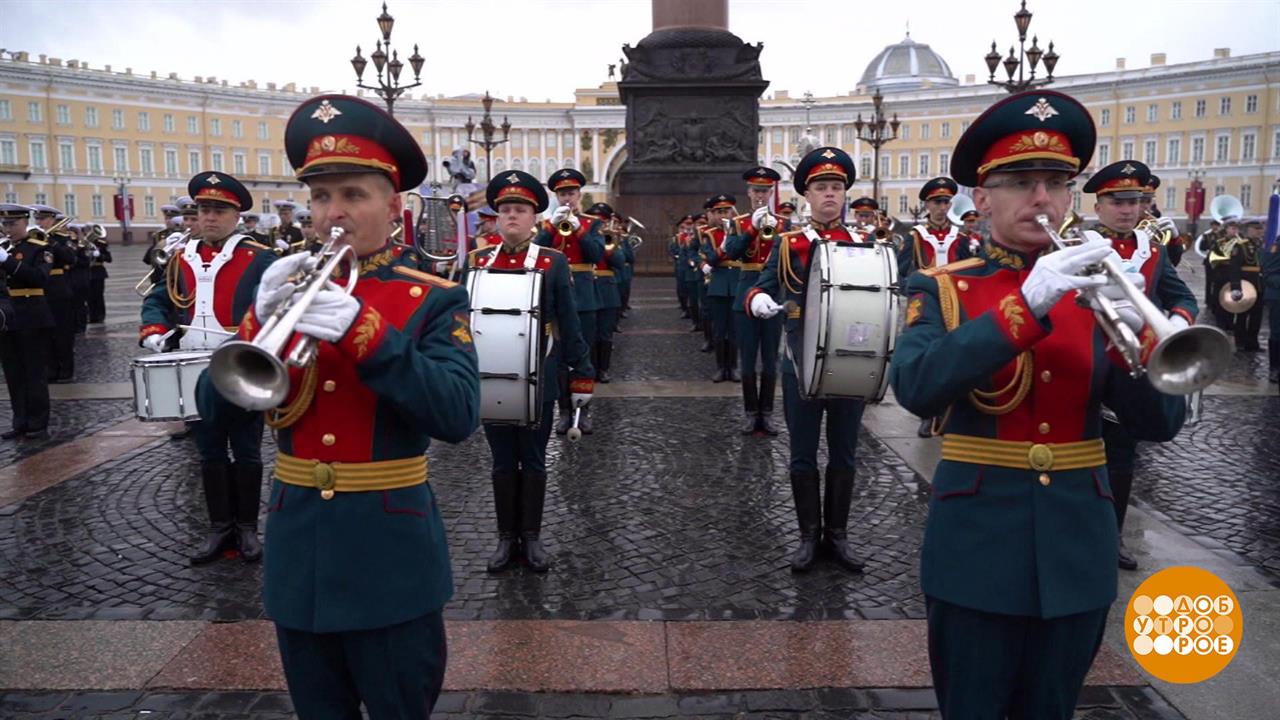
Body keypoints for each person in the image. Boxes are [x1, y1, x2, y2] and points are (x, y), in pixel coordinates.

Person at [889, 90, 1186, 718]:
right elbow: (917, 385)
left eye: (1056, 182)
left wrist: (1142, 342)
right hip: (976, 545)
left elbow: (1158, 425)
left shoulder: (1101, 289)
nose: (1042, 198)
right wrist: (1027, 304)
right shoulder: (944, 286)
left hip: (1077, 544)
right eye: (1021, 182)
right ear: (983, 197)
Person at [247, 94, 478, 718]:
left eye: (354, 194)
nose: (333, 213)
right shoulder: (282, 289)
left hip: (389, 556)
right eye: (321, 198)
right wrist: (254, 326)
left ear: (393, 206)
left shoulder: (433, 299)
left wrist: (364, 330)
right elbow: (224, 412)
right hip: (300, 553)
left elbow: (457, 414)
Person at [744, 146, 870, 573]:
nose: (830, 194)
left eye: (836, 187)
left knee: (845, 452)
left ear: (845, 193)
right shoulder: (787, 245)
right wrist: (759, 299)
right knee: (801, 452)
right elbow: (759, 286)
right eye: (822, 187)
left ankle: (838, 534)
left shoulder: (865, 244)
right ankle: (806, 536)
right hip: (799, 360)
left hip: (851, 359)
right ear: (807, 195)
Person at [140, 172, 276, 565]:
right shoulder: (180, 256)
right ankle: (220, 527)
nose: (209, 217)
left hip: (239, 366)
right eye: (203, 210)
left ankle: (247, 527)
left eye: (219, 210)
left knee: (247, 450)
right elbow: (159, 299)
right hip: (193, 368)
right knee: (210, 452)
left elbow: (271, 309)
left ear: (237, 214)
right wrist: (155, 330)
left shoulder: (260, 258)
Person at [471, 170, 594, 573]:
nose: (511, 217)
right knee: (502, 462)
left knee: (535, 460)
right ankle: (507, 539)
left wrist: (581, 374)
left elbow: (569, 322)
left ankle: (533, 538)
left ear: (534, 217)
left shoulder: (552, 262)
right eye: (505, 209)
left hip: (537, 371)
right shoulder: (478, 261)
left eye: (520, 210)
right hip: (490, 375)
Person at [1083, 159, 1198, 571]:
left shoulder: (1152, 250)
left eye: (1135, 201)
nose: (1128, 209)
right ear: (1099, 205)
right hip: (1085, 362)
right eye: (1117, 201)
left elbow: (1182, 297)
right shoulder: (1079, 245)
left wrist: (1174, 324)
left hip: (1130, 368)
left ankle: (1111, 537)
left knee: (1121, 458)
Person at [536, 168, 604, 434]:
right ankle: (564, 411)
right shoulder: (547, 224)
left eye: (571, 193)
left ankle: (582, 411)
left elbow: (596, 254)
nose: (567, 199)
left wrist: (579, 231)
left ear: (579, 195)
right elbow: (538, 253)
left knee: (583, 355)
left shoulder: (591, 223)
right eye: (563, 194)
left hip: (584, 295)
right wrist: (552, 226)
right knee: (559, 357)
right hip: (556, 296)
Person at [726, 166, 787, 434]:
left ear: (771, 192)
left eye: (765, 191)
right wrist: (752, 228)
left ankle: (768, 412)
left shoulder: (783, 224)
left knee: (771, 358)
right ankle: (751, 412)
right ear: (749, 192)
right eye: (757, 191)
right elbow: (732, 253)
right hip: (745, 295)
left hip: (773, 295)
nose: (761, 195)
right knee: (748, 358)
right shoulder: (738, 223)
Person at [0, 204, 54, 440]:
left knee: (33, 372)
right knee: (13, 373)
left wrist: (7, 261)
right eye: (5, 224)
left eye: (13, 224)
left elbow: (39, 278)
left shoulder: (39, 249)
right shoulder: (5, 249)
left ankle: (37, 422)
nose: (8, 228)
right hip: (6, 319)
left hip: (32, 316)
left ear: (25, 222)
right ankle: (19, 420)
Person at [29, 206, 77, 383]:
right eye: (38, 219)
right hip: (41, 289)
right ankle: (50, 369)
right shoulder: (34, 239)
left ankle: (66, 369)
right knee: (45, 331)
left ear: (52, 220)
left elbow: (71, 258)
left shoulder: (63, 239)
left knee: (63, 332)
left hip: (59, 288)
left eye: (43, 219)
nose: (39, 223)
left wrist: (53, 243)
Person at [701, 193, 741, 383]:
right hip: (718, 285)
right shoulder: (709, 235)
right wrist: (724, 246)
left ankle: (732, 367)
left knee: (734, 330)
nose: (723, 215)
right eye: (719, 212)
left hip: (736, 284)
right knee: (719, 330)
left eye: (727, 211)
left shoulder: (741, 232)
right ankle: (720, 367)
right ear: (713, 214)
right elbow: (711, 260)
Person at [87, 224, 111, 324]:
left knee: (98, 295)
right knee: (89, 296)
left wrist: (99, 254)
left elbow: (109, 258)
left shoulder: (101, 243)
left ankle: (100, 315)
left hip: (98, 272)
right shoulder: (85, 243)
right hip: (88, 272)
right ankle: (91, 316)